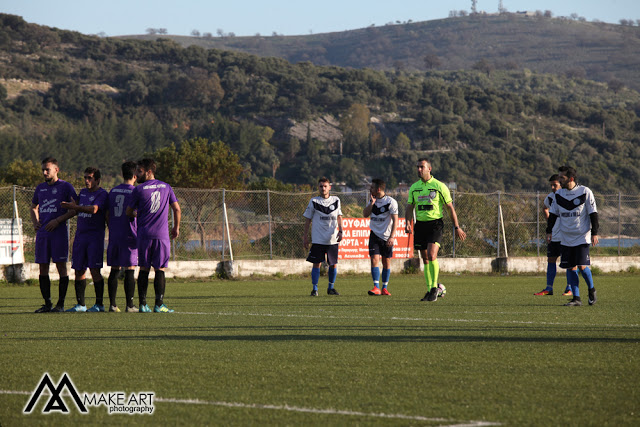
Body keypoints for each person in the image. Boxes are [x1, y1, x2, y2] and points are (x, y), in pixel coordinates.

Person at [405, 158, 466, 301]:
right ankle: (428, 290)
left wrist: (456, 227)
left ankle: (434, 288)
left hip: (435, 225)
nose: (419, 169)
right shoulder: (414, 187)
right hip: (420, 225)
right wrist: (408, 222)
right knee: (425, 259)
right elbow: (409, 207)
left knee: (432, 255)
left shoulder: (439, 186)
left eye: (422, 167)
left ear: (429, 169)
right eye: (417, 167)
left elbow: (450, 208)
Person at [126, 159, 181, 313]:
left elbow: (128, 212)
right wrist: (176, 227)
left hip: (144, 235)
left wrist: (139, 213)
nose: (137, 174)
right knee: (160, 269)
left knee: (144, 268)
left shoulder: (138, 189)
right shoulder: (166, 187)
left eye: (140, 171)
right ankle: (159, 304)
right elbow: (177, 209)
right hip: (161, 236)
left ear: (149, 172)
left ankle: (143, 305)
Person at [546, 166, 599, 307]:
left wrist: (595, 233)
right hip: (566, 237)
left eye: (561, 178)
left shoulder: (585, 192)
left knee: (582, 266)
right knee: (570, 267)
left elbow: (593, 213)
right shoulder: (559, 195)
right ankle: (576, 298)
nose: (559, 180)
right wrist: (549, 231)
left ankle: (591, 289)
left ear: (571, 178)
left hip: (582, 236)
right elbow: (553, 214)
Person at [30, 157, 77, 313]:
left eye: (47, 169)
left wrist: (58, 220)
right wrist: (35, 222)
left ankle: (60, 305)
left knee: (61, 267)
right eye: (43, 169)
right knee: (42, 268)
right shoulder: (40, 188)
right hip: (43, 234)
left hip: (59, 233)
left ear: (56, 170)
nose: (44, 172)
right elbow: (33, 207)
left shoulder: (65, 187)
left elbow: (75, 208)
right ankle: (47, 304)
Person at [61, 167, 108, 313]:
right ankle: (80, 305)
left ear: (97, 180)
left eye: (90, 178)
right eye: (85, 178)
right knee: (79, 269)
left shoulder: (102, 194)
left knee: (94, 270)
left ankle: (99, 304)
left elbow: (93, 209)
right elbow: (76, 210)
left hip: (95, 237)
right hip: (81, 236)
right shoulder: (83, 193)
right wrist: (59, 218)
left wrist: (74, 206)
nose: (87, 181)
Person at [106, 161, 138, 313]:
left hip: (114, 234)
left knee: (114, 269)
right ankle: (130, 305)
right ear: (134, 175)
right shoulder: (135, 191)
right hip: (129, 235)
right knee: (130, 269)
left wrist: (111, 226)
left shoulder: (113, 191)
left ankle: (112, 305)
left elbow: (107, 213)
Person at [302, 177, 343, 296]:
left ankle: (331, 288)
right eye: (321, 186)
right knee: (317, 263)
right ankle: (315, 289)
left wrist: (341, 231)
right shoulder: (314, 201)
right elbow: (308, 220)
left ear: (329, 187)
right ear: (318, 188)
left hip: (332, 238)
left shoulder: (336, 200)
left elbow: (339, 216)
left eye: (325, 186)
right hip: (318, 239)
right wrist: (305, 236)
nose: (323, 188)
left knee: (333, 263)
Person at [534, 174, 572, 297]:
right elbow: (545, 207)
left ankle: (569, 288)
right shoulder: (550, 198)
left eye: (554, 185)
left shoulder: (568, 196)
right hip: (554, 236)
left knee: (569, 263)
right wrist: (550, 221)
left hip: (567, 236)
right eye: (551, 185)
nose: (552, 187)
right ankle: (549, 288)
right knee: (551, 260)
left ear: (561, 184)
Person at [363, 178, 398, 296]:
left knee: (386, 261)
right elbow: (365, 214)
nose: (370, 189)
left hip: (387, 236)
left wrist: (392, 237)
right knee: (374, 259)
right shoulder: (372, 200)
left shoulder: (391, 202)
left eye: (372, 187)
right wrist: (371, 204)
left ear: (378, 189)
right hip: (374, 235)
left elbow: (395, 221)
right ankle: (376, 287)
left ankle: (384, 288)